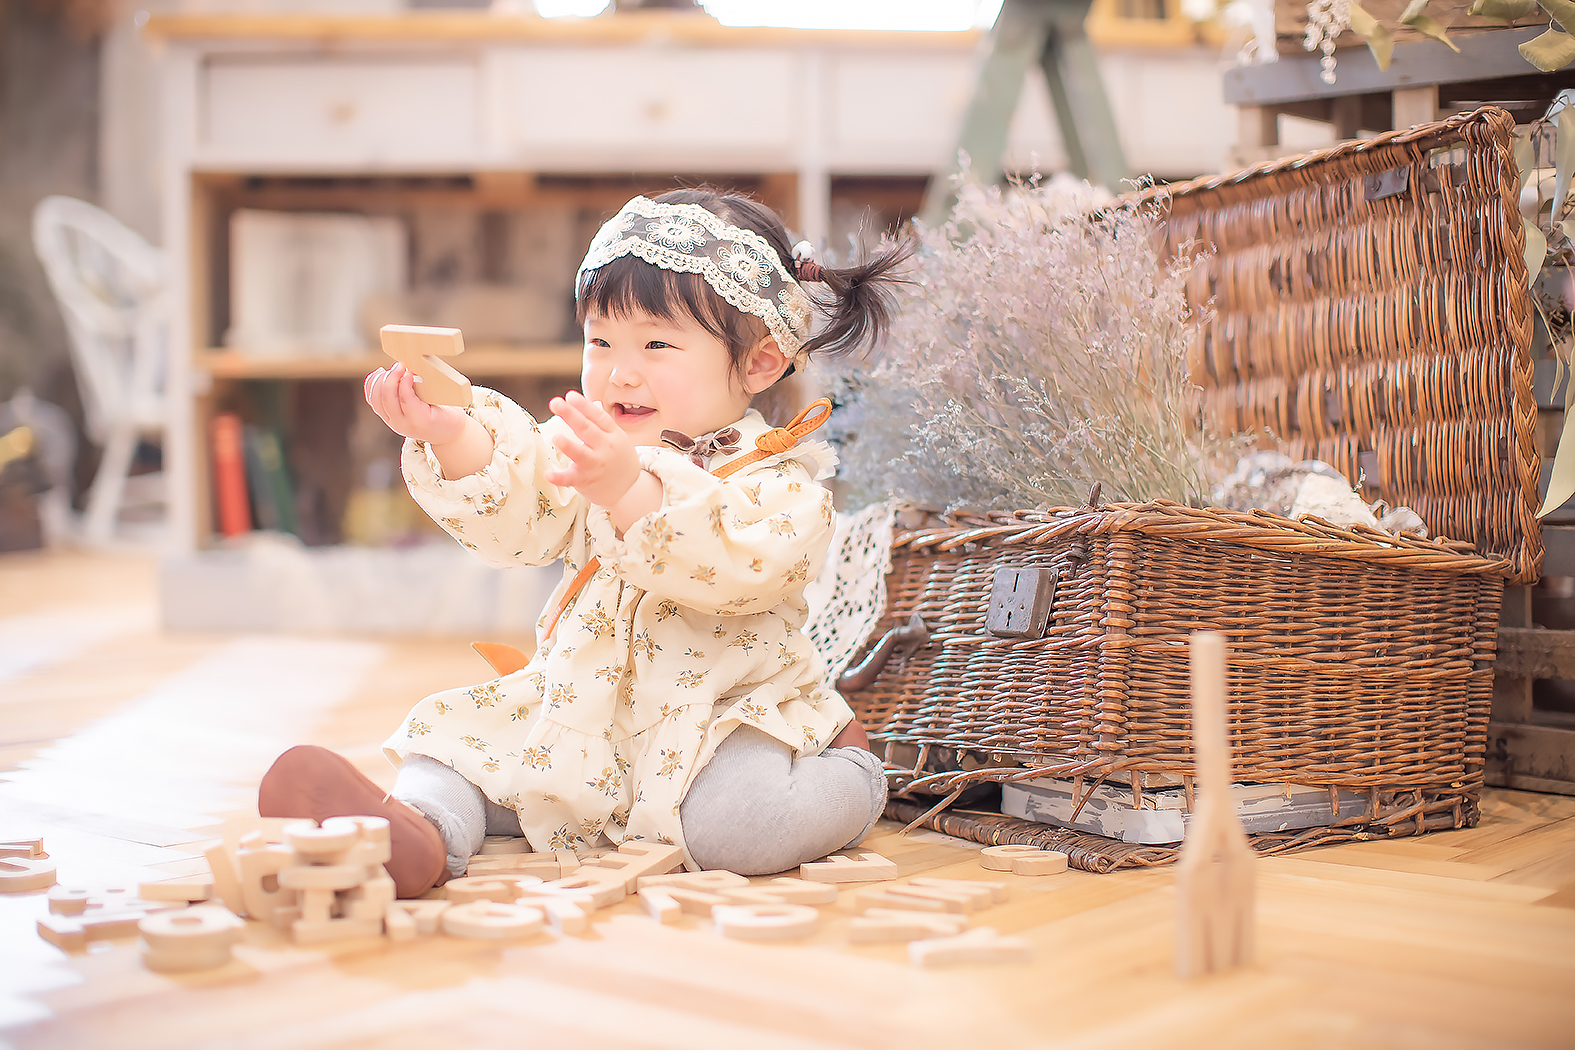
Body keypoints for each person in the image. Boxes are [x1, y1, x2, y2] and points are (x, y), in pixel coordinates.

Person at [259, 188, 912, 897]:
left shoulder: (778, 486)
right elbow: (521, 503)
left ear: (758, 363)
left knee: (738, 829)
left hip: (715, 727)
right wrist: (453, 435)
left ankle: (850, 770)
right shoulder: (588, 448)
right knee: (451, 749)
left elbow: (735, 566)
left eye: (656, 344)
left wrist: (629, 490)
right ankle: (417, 828)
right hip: (582, 715)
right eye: (600, 341)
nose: (618, 371)